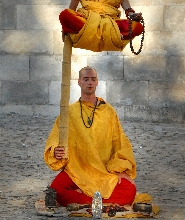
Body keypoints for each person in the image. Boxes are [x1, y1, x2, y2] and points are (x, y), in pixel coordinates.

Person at [44, 66, 137, 207]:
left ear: (97, 82)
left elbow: (120, 141)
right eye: (86, 79)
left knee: (130, 190)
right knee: (55, 190)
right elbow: (56, 138)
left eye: (93, 79)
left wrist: (121, 169)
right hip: (76, 170)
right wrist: (56, 150)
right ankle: (97, 200)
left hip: (103, 170)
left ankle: (83, 197)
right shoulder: (69, 112)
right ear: (79, 82)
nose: (90, 83)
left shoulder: (109, 111)